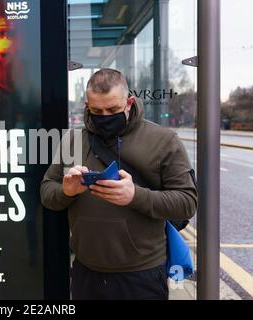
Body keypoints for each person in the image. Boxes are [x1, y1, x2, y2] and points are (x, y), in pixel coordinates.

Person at [40, 68, 197, 300]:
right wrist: (66, 190)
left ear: (129, 103)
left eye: (112, 109)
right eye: (96, 110)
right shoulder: (72, 140)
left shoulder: (163, 140)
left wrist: (135, 196)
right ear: (87, 106)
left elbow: (187, 203)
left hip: (141, 274)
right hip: (86, 272)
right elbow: (46, 191)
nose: (104, 116)